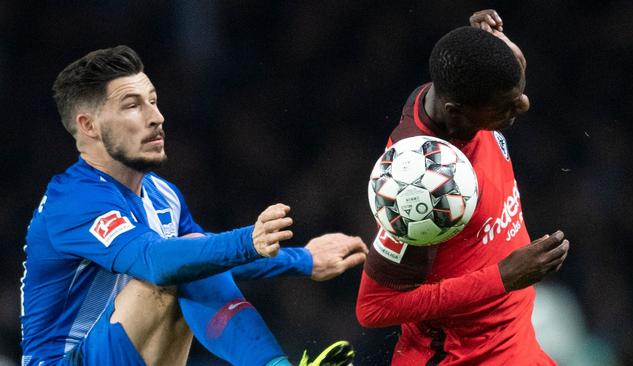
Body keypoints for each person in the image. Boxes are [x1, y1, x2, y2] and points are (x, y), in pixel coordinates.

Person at [20, 45, 367, 366]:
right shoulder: (73, 200)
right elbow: (156, 263)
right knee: (174, 267)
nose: (157, 117)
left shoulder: (162, 194)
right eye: (132, 105)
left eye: (153, 101)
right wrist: (249, 240)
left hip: (124, 349)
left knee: (192, 260)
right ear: (89, 126)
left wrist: (304, 259)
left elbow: (209, 261)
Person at [356, 10, 570, 365]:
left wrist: (489, 48)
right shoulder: (418, 184)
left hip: (517, 345)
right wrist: (501, 277)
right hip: (464, 357)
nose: (524, 105)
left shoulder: (457, 97)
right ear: (457, 112)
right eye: (506, 107)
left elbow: (478, 71)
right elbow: (374, 308)